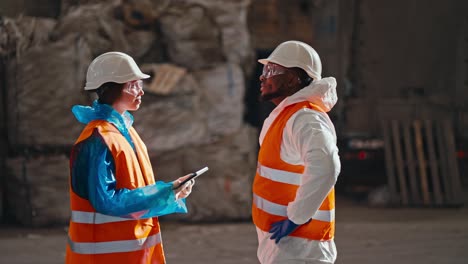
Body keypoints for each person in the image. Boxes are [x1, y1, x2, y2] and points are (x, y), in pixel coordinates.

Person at [66, 51, 195, 264]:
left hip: (131, 253)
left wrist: (172, 192)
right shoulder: (98, 140)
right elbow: (107, 201)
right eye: (133, 85)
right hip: (102, 258)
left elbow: (134, 188)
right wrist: (163, 193)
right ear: (111, 88)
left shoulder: (124, 131)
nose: (141, 92)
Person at [251, 40, 341, 263]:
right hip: (288, 245)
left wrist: (296, 217)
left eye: (271, 70)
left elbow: (327, 165)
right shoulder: (289, 116)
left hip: (301, 249)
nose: (263, 77)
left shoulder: (305, 118)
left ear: (292, 79)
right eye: (264, 70)